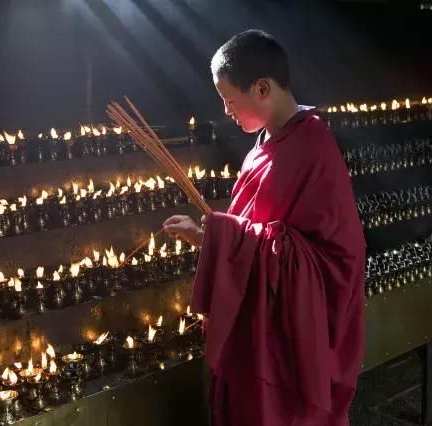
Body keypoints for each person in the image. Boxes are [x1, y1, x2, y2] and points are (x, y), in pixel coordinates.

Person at [163, 29, 365, 425]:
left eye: (230, 100)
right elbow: (258, 231)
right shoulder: (264, 145)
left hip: (287, 337)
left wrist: (220, 237)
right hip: (256, 316)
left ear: (261, 88)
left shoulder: (313, 146)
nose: (226, 111)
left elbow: (335, 259)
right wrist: (212, 236)